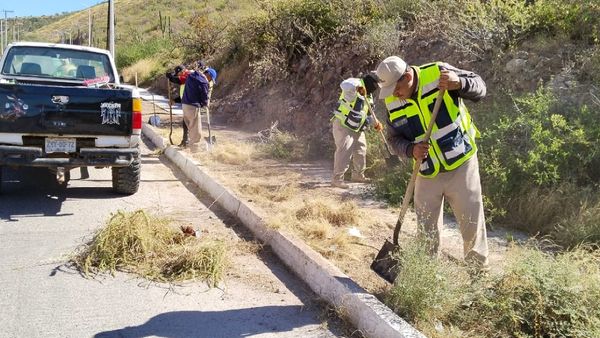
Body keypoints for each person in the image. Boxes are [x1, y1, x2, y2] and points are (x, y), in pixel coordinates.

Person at [375, 55, 489, 270]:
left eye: (396, 89)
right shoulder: (393, 101)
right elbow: (393, 139)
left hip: (461, 165)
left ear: (407, 77)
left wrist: (460, 83)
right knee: (426, 229)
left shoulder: (438, 73)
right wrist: (410, 149)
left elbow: (480, 87)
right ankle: (427, 276)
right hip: (426, 171)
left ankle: (478, 277)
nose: (394, 95)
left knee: (471, 225)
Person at [330, 72, 383, 189]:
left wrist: (376, 123)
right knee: (344, 151)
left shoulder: (368, 96)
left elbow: (367, 113)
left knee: (361, 150)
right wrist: (358, 88)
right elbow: (344, 84)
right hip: (343, 125)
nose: (376, 89)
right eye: (376, 85)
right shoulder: (354, 84)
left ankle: (358, 175)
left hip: (357, 128)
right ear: (371, 82)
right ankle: (337, 179)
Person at [181, 62, 211, 152]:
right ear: (206, 73)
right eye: (211, 78)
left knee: (191, 128)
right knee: (196, 131)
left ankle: (191, 147)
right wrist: (205, 104)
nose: (210, 80)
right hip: (192, 107)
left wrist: (202, 104)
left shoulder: (190, 76)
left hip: (184, 105)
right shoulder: (203, 81)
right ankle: (195, 152)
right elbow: (204, 95)